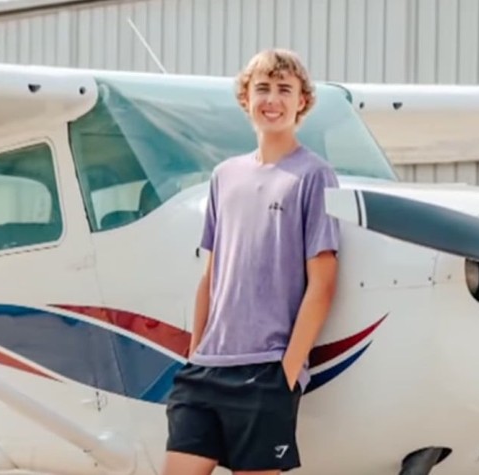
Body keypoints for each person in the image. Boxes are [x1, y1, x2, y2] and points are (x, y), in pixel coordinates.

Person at [162, 48, 341, 475]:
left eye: (285, 89)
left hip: (267, 370)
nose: (272, 99)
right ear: (246, 99)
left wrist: (286, 373)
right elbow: (211, 275)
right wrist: (196, 354)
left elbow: (323, 282)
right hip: (207, 367)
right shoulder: (224, 176)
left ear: (303, 102)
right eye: (262, 88)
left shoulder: (315, 176)